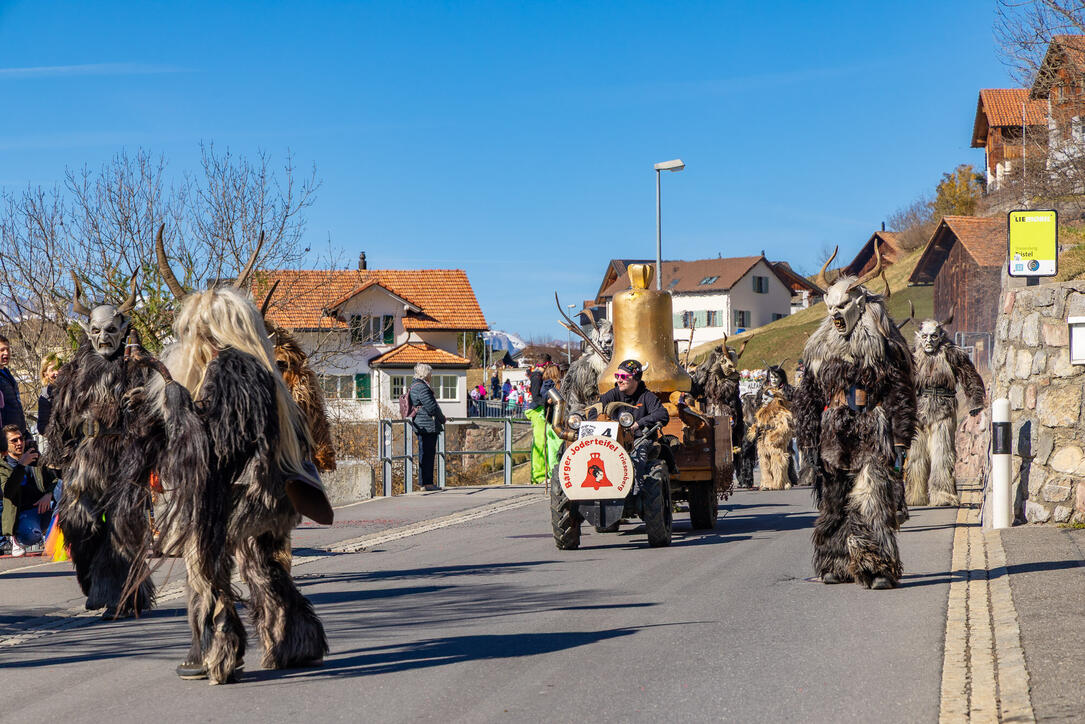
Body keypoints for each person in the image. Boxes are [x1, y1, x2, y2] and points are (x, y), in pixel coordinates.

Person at [1, 425, 56, 556]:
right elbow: (8, 492)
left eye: (21, 439)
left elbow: (54, 480)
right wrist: (21, 466)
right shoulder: (2, 466)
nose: (19, 443)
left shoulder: (34, 457)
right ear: (5, 443)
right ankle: (17, 539)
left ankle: (55, 533)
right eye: (14, 440)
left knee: (63, 485)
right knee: (31, 536)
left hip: (46, 507)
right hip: (24, 514)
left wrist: (48, 494)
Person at [409, 363, 446, 491]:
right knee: (428, 454)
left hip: (420, 423)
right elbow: (431, 407)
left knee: (423, 453)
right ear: (425, 374)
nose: (431, 375)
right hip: (427, 424)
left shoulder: (414, 385)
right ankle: (427, 483)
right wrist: (442, 418)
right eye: (430, 373)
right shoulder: (422, 388)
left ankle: (423, 482)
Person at [0, 335, 27, 434]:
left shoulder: (7, 373)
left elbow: (16, 406)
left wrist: (24, 432)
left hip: (17, 432)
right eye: (2, 350)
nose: (6, 353)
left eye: (8, 349)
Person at [36, 353, 62, 440]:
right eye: (52, 370)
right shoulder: (45, 397)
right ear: (45, 374)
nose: (57, 372)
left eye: (58, 368)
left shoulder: (73, 389)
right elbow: (42, 428)